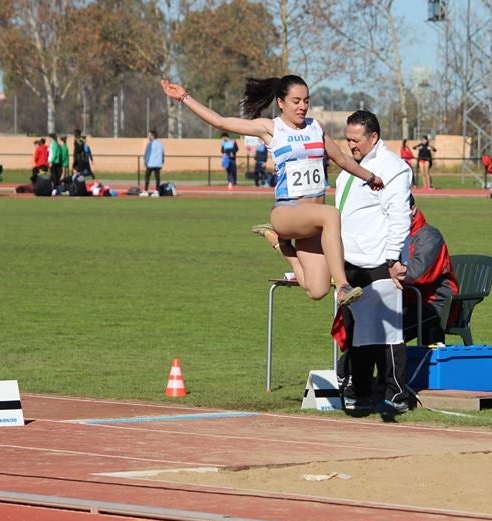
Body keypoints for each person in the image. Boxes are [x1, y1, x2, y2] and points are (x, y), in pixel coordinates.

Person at [161, 75, 383, 306]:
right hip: (288, 212)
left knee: (317, 289)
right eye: (296, 101)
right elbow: (220, 122)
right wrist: (184, 97)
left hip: (313, 222)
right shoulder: (271, 128)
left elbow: (342, 159)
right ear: (280, 102)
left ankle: (281, 244)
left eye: (306, 101)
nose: (302, 106)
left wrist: (370, 177)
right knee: (331, 214)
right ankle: (344, 286)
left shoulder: (316, 128)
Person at [334, 110, 413, 413]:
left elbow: (398, 216)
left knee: (390, 333)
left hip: (380, 262)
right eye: (348, 139)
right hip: (350, 262)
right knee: (360, 331)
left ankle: (396, 394)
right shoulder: (350, 168)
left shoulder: (392, 168)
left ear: (374, 137)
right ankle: (362, 389)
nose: (351, 145)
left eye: (356, 140)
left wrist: (393, 257)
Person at [402, 196, 459, 347]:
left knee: (391, 334)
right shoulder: (396, 235)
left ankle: (347, 370)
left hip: (434, 303)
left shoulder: (429, 236)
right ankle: (348, 369)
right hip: (407, 299)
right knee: (369, 327)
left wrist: (387, 273)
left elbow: (417, 274)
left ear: (413, 209)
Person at [142, 129, 164, 195]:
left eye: (149, 135)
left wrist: (145, 162)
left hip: (151, 164)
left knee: (147, 177)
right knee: (157, 178)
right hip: (158, 164)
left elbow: (147, 154)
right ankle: (157, 191)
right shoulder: (160, 144)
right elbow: (162, 154)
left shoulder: (150, 144)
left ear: (153, 136)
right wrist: (162, 162)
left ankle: (145, 191)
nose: (148, 136)